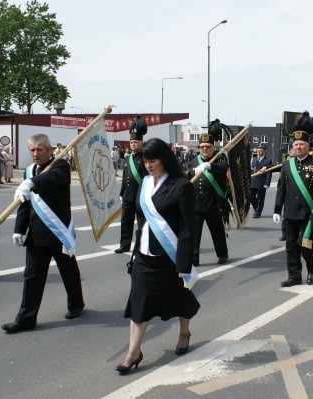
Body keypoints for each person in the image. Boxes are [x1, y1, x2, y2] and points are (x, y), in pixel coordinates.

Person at [116, 138, 199, 373]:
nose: (148, 165)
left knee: (181, 299)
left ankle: (184, 332)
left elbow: (187, 228)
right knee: (139, 305)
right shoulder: (143, 183)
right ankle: (133, 352)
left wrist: (185, 261)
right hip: (144, 255)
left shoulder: (181, 186)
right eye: (145, 160)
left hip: (170, 257)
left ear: (164, 159)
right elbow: (141, 219)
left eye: (152, 160)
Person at [2, 134, 84, 333]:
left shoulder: (60, 165)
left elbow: (53, 179)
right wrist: (19, 229)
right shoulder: (30, 171)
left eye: (39, 149)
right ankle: (25, 319)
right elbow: (24, 202)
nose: (35, 153)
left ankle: (76, 304)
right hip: (36, 232)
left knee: (68, 271)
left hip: (57, 231)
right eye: (32, 150)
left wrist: (32, 183)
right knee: (32, 276)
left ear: (49, 150)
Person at [273, 111, 313, 287]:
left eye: (301, 144)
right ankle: (294, 276)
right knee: (291, 247)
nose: (298, 147)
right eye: (295, 144)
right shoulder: (287, 164)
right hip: (290, 213)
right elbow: (281, 188)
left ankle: (312, 270)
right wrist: (276, 209)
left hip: (308, 214)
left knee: (305, 245)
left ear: (307, 145)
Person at [187, 120, 230, 266]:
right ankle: (194, 259)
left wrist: (209, 165)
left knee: (217, 232)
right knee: (194, 233)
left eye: (208, 147)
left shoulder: (219, 158)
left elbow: (223, 168)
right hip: (196, 203)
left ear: (213, 147)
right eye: (202, 147)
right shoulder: (193, 161)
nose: (205, 149)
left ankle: (222, 254)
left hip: (213, 203)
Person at [115, 115, 148, 253]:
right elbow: (125, 177)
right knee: (125, 222)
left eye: (136, 142)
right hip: (128, 196)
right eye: (132, 142)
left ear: (141, 143)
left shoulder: (146, 157)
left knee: (142, 222)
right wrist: (122, 193)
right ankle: (124, 244)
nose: (133, 144)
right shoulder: (128, 158)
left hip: (141, 195)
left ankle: (141, 245)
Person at [250, 144, 272, 218]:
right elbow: (250, 170)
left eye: (260, 151)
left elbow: (269, 172)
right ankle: (257, 209)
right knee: (250, 196)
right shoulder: (253, 159)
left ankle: (257, 213)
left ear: (264, 151)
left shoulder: (268, 160)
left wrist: (267, 183)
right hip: (253, 181)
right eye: (258, 151)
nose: (259, 152)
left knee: (260, 198)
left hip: (261, 182)